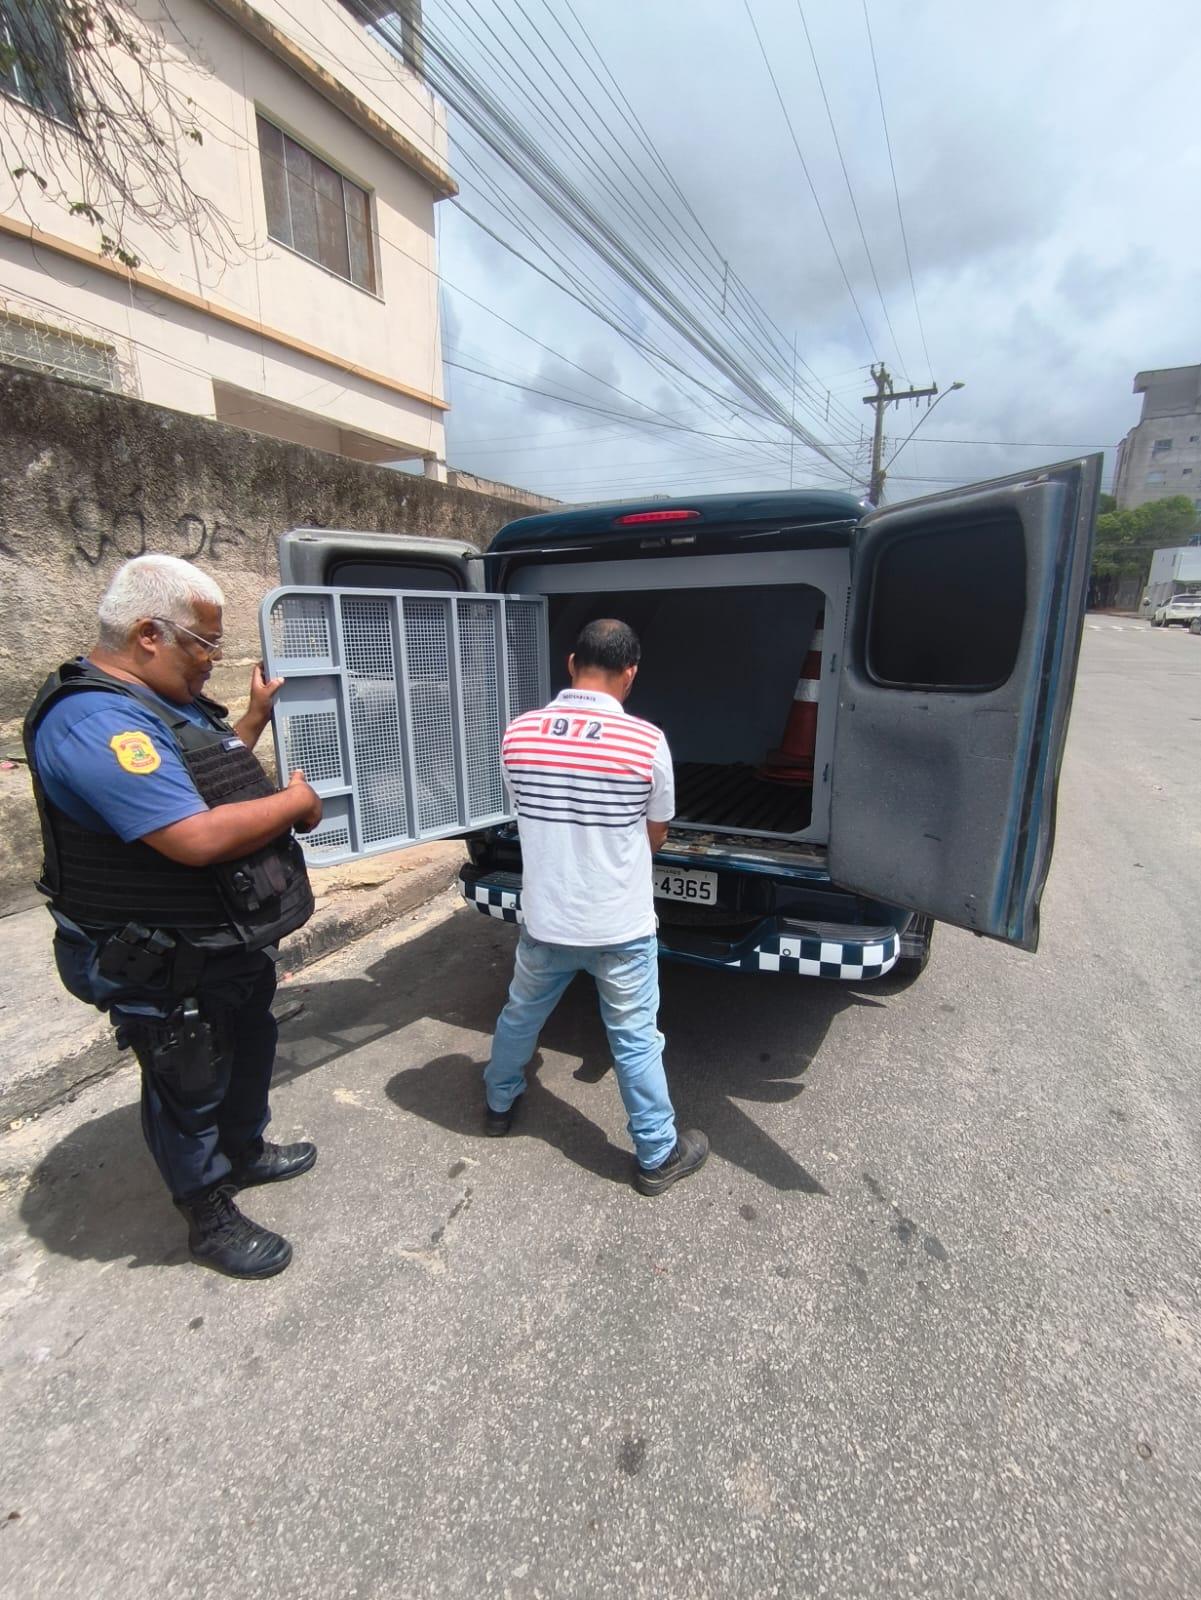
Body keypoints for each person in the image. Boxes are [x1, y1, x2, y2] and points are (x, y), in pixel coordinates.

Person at [24, 554, 322, 1279]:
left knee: (250, 1045)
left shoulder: (162, 702)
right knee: (188, 1080)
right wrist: (295, 803)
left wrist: (250, 720)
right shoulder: (95, 723)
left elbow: (198, 782)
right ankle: (207, 1211)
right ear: (150, 633)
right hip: (160, 953)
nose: (211, 663)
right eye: (204, 646)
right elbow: (190, 836)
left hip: (219, 937)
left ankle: (244, 1152)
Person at [483, 618, 707, 1196]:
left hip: (547, 920)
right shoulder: (648, 742)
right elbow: (655, 834)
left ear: (570, 664)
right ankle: (657, 1154)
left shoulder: (519, 734)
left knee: (519, 1014)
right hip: (620, 926)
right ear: (629, 674)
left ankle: (498, 1102)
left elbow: (527, 815)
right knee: (635, 1037)